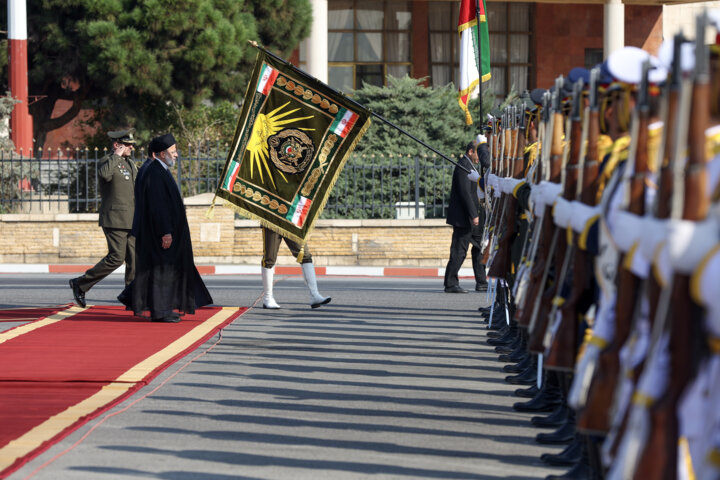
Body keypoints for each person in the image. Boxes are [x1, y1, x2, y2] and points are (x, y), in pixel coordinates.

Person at [118, 133, 212, 322]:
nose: (176, 155)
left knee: (160, 271)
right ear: (161, 154)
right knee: (162, 272)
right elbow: (158, 206)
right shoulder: (154, 172)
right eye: (173, 151)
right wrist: (165, 232)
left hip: (167, 232)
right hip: (160, 234)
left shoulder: (160, 170)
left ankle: (142, 301)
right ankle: (161, 312)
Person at [69, 128, 138, 307]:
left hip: (132, 218)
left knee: (134, 260)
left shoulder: (131, 163)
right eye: (128, 145)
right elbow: (104, 175)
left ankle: (131, 297)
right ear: (117, 145)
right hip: (115, 218)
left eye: (131, 145)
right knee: (116, 257)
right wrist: (116, 155)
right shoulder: (107, 161)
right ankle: (81, 283)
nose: (131, 148)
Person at [444, 141, 487, 293]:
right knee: (459, 251)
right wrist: (473, 214)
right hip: (465, 218)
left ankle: (481, 282)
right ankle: (450, 283)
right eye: (477, 153)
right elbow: (465, 193)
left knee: (479, 249)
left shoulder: (470, 166)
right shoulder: (463, 166)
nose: (479, 157)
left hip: (473, 219)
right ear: (470, 151)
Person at [260, 227, 331, 309]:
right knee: (269, 258)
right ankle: (268, 298)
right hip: (272, 220)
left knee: (305, 255)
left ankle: (314, 295)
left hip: (290, 221)